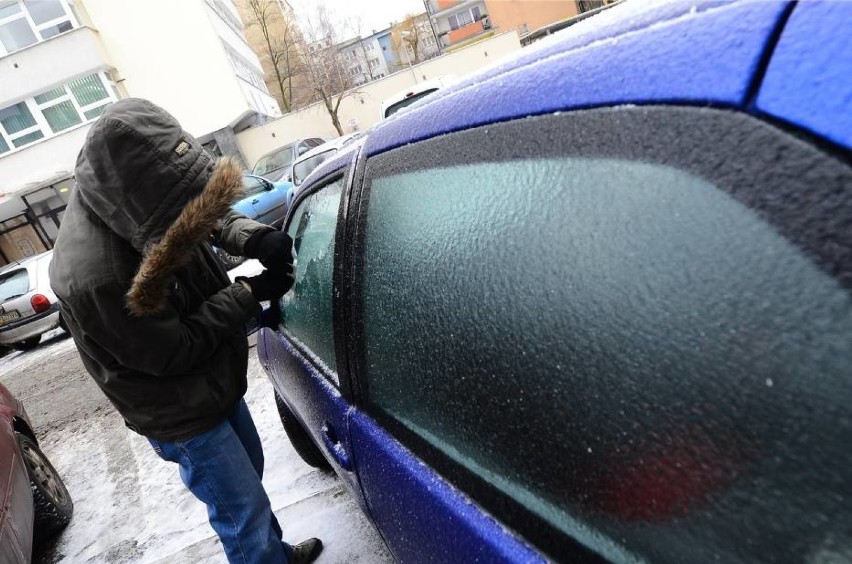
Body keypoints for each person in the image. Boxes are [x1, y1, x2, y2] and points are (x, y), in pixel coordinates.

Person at [50, 98, 323, 564]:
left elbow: (195, 212)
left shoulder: (138, 199)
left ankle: (273, 556)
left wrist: (250, 235)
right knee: (242, 513)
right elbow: (172, 349)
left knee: (250, 483)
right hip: (178, 407)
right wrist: (247, 293)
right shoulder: (98, 277)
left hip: (210, 376)